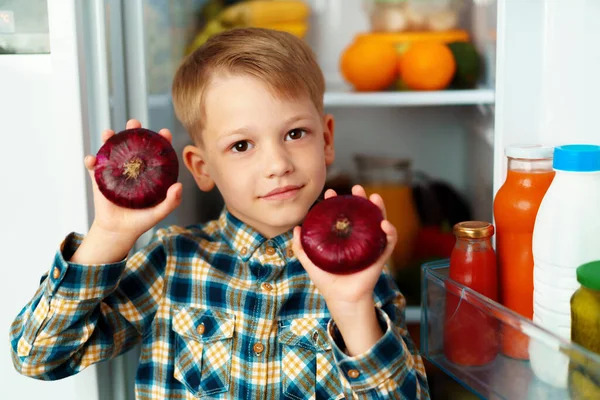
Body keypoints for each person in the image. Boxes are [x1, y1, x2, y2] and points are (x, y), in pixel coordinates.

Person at [10, 27, 429, 399]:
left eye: (295, 133)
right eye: (242, 145)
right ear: (201, 168)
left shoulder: (361, 277)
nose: (277, 163)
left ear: (326, 140)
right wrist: (108, 235)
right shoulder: (171, 261)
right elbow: (38, 355)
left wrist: (352, 306)